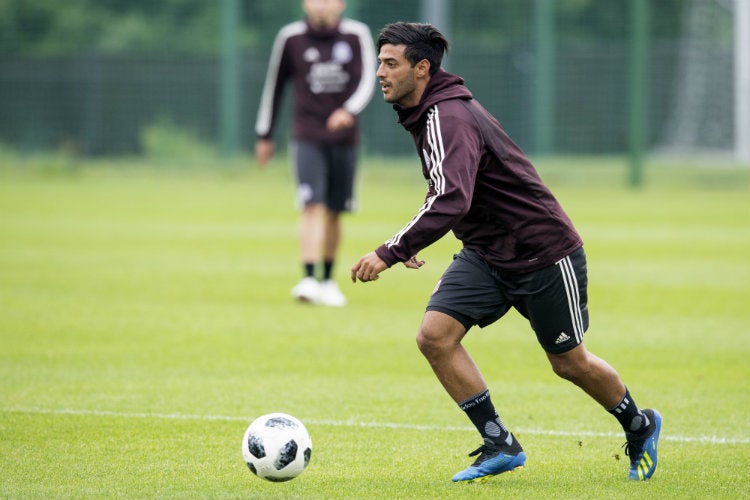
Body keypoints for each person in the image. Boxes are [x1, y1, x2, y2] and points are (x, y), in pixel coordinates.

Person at [351, 22, 661, 483]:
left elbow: (450, 199)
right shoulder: (428, 112)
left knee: (569, 363)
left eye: (390, 63)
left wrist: (392, 250)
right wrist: (415, 236)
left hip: (543, 251)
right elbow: (450, 192)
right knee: (435, 336)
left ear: (422, 68)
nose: (379, 72)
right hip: (487, 252)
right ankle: (500, 443)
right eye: (379, 62)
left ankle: (641, 425)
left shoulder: (446, 117)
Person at [255, 0, 376, 306]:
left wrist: (348, 110)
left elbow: (367, 81)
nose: (320, 5)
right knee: (311, 205)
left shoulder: (356, 34)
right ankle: (308, 279)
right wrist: (265, 134)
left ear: (340, 4)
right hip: (306, 135)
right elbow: (275, 86)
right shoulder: (291, 37)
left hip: (344, 138)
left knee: (335, 210)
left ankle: (328, 281)